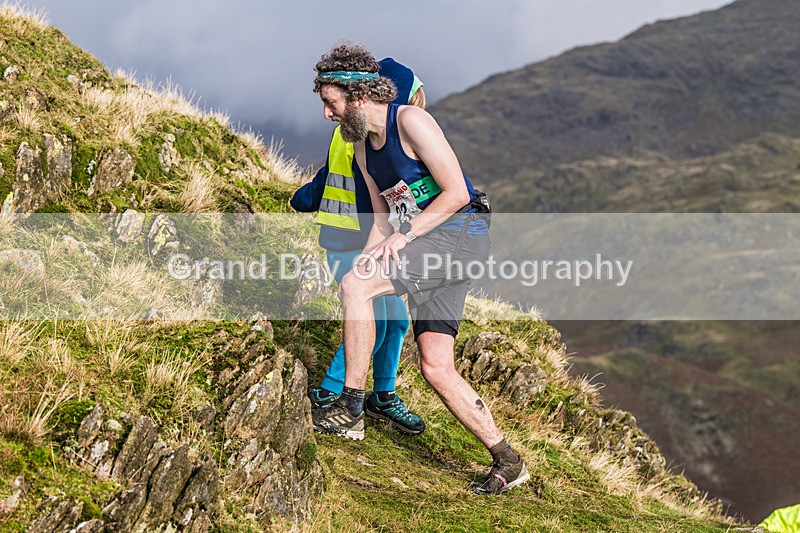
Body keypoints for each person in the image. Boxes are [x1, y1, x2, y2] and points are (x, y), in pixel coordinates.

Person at [310, 42, 530, 495]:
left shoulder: (410, 121)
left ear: (356, 95)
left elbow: (457, 194)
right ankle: (508, 458)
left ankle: (350, 408)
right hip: (432, 244)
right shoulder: (362, 151)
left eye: (331, 103)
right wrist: (372, 252)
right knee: (435, 367)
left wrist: (402, 239)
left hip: (459, 238)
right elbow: (382, 219)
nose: (328, 115)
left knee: (356, 288)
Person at [290, 58, 426, 435]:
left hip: (364, 239)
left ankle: (381, 396)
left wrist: (301, 199)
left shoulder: (368, 130)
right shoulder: (363, 135)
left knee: (395, 322)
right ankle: (330, 393)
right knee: (377, 320)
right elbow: (364, 189)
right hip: (351, 239)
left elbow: (323, 180)